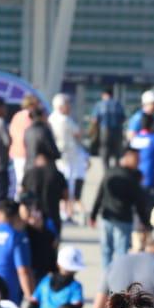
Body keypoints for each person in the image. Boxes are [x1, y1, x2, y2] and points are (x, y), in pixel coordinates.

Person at [89, 147, 149, 272]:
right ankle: (118, 279)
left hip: (107, 217)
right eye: (136, 160)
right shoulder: (133, 178)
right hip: (123, 220)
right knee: (121, 252)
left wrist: (93, 215)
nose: (138, 163)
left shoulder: (110, 172)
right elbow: (140, 202)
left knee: (107, 251)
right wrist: (145, 221)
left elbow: (99, 194)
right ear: (127, 158)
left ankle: (107, 278)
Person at [50, 93, 90, 221]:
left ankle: (64, 211)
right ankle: (67, 212)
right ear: (61, 106)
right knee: (68, 186)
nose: (69, 107)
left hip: (58, 158)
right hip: (68, 158)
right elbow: (78, 133)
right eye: (67, 104)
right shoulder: (65, 119)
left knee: (61, 185)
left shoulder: (51, 119)